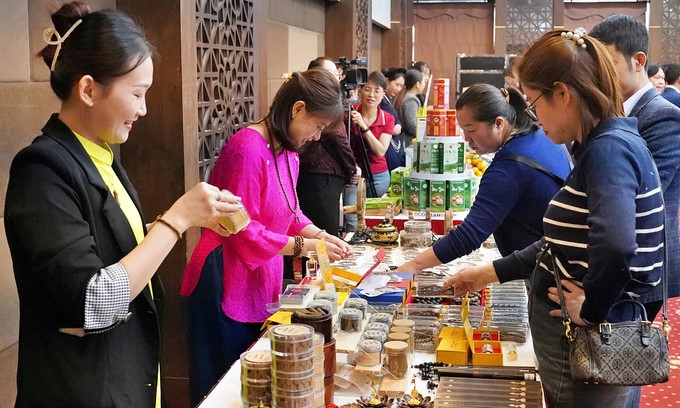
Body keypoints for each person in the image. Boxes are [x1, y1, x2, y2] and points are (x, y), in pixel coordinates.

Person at [4, 3, 242, 407]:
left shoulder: (103, 156)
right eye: (137, 94)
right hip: (83, 390)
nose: (143, 109)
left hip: (127, 377)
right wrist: (177, 219)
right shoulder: (42, 169)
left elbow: (113, 253)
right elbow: (92, 300)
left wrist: (185, 220)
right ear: (88, 89)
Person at [447, 29, 664, 407]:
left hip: (587, 345)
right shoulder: (600, 144)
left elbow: (616, 244)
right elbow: (566, 241)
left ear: (563, 93)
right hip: (581, 341)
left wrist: (593, 310)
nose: (534, 117)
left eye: (534, 104)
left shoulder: (608, 150)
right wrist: (488, 273)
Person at [181, 68, 353, 405]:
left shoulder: (288, 151)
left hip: (261, 271)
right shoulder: (247, 148)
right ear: (298, 109)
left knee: (260, 381)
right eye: (317, 126)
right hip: (225, 275)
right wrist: (306, 246)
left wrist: (320, 235)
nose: (317, 137)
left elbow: (289, 212)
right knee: (228, 384)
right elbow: (241, 230)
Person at [395, 83, 571, 273]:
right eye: (462, 130)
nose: (466, 139)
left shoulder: (508, 169)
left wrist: (413, 265)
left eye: (471, 130)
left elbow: (469, 235)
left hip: (551, 274)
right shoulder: (542, 137)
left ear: (499, 123)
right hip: (564, 260)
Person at [589, 14, 680, 321]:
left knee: (621, 356)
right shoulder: (612, 112)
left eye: (608, 65)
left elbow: (647, 195)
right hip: (617, 255)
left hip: (642, 263)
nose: (600, 75)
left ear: (638, 60)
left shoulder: (662, 115)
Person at [297, 57, 358, 235]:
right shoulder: (318, 100)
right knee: (323, 234)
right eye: (330, 74)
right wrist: (352, 170)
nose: (336, 78)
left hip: (319, 177)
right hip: (319, 178)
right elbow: (338, 139)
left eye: (336, 74)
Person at [346, 70, 395, 200]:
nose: (371, 95)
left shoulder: (388, 118)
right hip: (353, 174)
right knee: (351, 218)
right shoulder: (349, 113)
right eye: (367, 89)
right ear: (360, 90)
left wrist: (364, 126)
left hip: (378, 176)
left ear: (383, 94)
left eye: (377, 91)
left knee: (373, 217)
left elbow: (380, 151)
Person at [382, 67, 406, 171]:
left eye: (401, 86)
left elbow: (396, 118)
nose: (398, 89)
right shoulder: (381, 100)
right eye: (396, 84)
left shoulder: (389, 99)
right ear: (387, 81)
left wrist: (399, 125)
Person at [394, 69, 425, 147]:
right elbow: (412, 124)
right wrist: (424, 134)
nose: (424, 84)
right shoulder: (411, 99)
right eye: (423, 82)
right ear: (418, 84)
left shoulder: (404, 96)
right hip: (408, 142)